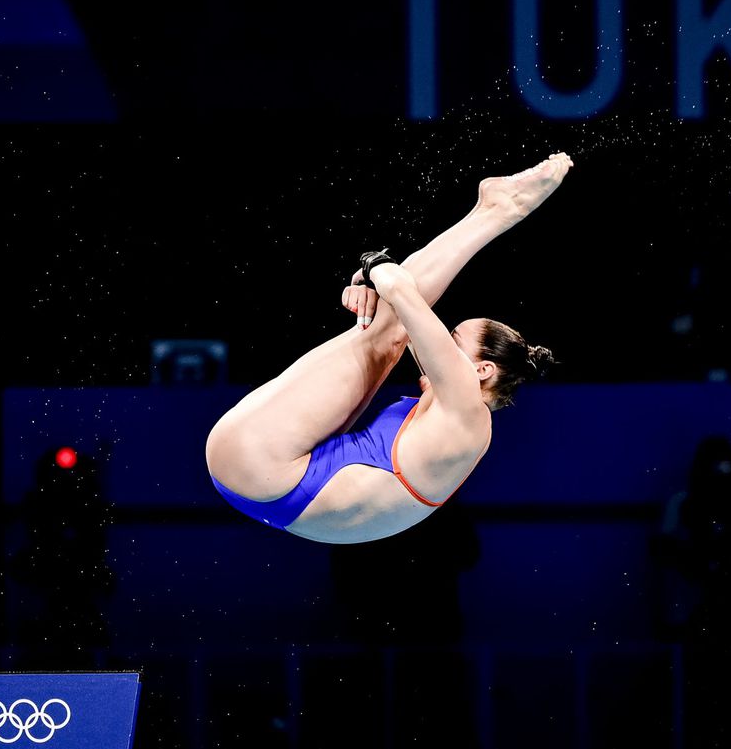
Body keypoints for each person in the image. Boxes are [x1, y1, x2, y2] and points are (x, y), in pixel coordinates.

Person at [205, 152, 573, 543]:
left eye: (453, 340)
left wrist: (372, 265)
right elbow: (398, 305)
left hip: (262, 466)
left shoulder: (467, 404)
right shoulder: (464, 422)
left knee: (389, 329)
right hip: (269, 490)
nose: (439, 341)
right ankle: (493, 210)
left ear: (483, 370)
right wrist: (376, 283)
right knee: (389, 331)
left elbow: (400, 291)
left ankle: (498, 211)